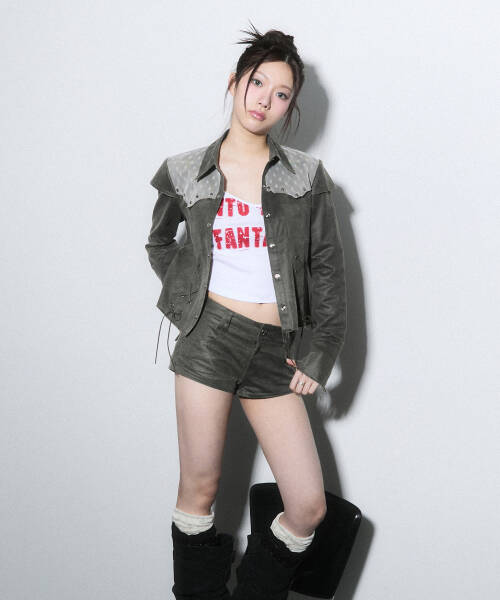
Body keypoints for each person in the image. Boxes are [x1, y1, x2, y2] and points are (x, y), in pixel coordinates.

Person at [145, 23, 347, 600]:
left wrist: (320, 350)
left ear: (290, 107)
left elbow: (328, 271)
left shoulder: (305, 176)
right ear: (234, 82)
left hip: (276, 351)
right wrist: (192, 300)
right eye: (258, 83)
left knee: (307, 506)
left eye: (281, 94)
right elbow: (159, 242)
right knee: (200, 489)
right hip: (209, 340)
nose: (265, 100)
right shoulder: (185, 170)